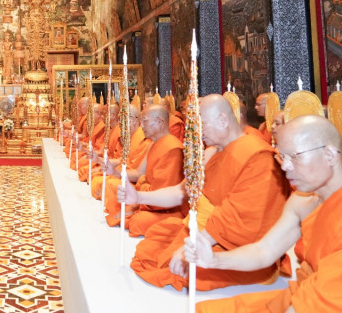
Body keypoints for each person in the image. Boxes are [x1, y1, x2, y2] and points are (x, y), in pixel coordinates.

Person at [124, 94, 290, 291]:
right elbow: (182, 191)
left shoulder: (258, 158)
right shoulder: (214, 151)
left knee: (183, 271)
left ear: (223, 120)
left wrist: (194, 246)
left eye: (202, 124)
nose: (198, 132)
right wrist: (139, 197)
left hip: (239, 249)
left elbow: (234, 217)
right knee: (156, 241)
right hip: (207, 232)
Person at [186, 115, 342, 312]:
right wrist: (213, 260)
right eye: (282, 157)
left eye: (294, 156)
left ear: (329, 155)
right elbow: (264, 251)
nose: (284, 166)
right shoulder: (301, 201)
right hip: (307, 295)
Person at [104, 105, 184, 234]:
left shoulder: (173, 148)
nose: (141, 125)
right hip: (147, 196)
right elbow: (138, 173)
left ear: (160, 122)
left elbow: (165, 193)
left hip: (164, 206)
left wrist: (139, 198)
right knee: (116, 201)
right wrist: (114, 172)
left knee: (138, 221)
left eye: (145, 121)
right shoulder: (153, 144)